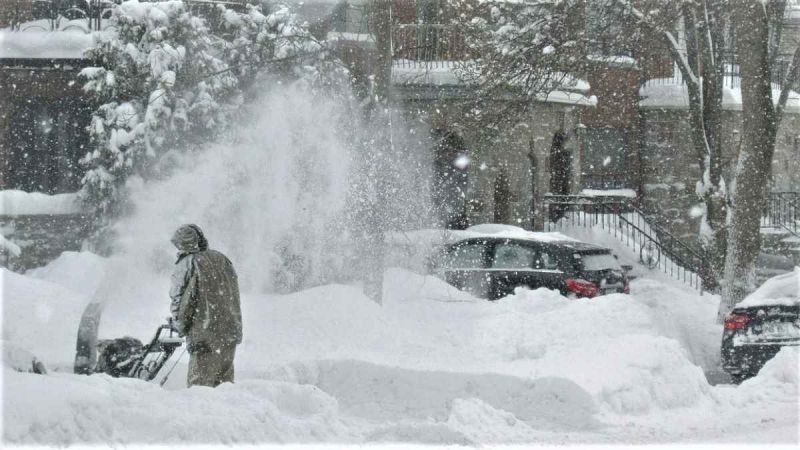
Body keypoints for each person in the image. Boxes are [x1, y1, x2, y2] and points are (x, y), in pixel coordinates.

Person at [169, 224, 242, 387]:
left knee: (200, 388)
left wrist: (179, 324)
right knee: (225, 385)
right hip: (229, 331)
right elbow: (233, 294)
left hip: (203, 334)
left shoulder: (188, 263)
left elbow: (180, 299)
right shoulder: (222, 259)